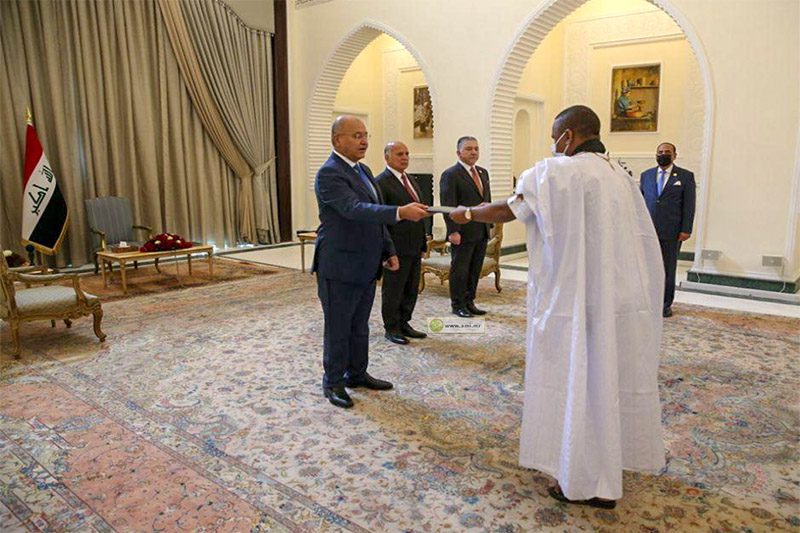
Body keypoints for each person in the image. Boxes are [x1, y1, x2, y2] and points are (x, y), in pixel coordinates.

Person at [449, 105, 665, 508]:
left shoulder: (556, 172)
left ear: (569, 136)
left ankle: (580, 479)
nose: (553, 144)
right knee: (606, 381)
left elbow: (508, 210)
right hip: (616, 297)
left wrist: (466, 213)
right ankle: (606, 470)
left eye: (554, 136)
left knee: (577, 380)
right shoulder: (619, 174)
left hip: (575, 298)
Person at [312, 115, 429, 409]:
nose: (364, 141)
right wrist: (400, 212)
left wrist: (388, 250)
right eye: (356, 136)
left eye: (365, 135)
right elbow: (354, 209)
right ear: (337, 140)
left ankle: (357, 373)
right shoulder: (329, 173)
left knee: (359, 324)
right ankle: (333, 382)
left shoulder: (363, 170)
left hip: (366, 262)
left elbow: (375, 217)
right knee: (339, 327)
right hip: (339, 264)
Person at [375, 141, 428, 345]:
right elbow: (381, 219)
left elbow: (420, 214)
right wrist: (386, 251)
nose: (404, 157)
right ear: (387, 157)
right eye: (399, 154)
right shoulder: (381, 182)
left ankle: (404, 322)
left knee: (410, 288)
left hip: (414, 245)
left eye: (406, 153)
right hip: (395, 247)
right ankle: (392, 327)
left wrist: (423, 243)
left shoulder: (411, 180)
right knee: (394, 289)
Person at [640, 142, 696, 317]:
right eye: (660, 152)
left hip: (672, 232)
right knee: (647, 268)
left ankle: (665, 304)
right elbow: (640, 204)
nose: (663, 154)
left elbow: (689, 205)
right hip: (649, 231)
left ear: (674, 155)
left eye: (667, 152)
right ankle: (649, 301)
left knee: (667, 269)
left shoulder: (685, 176)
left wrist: (686, 229)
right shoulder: (646, 175)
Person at [439, 136, 492, 317]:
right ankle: (458, 305)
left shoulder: (483, 173)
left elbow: (487, 201)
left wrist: (489, 224)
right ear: (458, 152)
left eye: (476, 149)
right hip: (462, 232)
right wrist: (453, 231)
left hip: (481, 230)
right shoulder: (451, 175)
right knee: (460, 270)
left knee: (474, 269)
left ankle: (470, 302)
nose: (473, 152)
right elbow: (448, 206)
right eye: (469, 149)